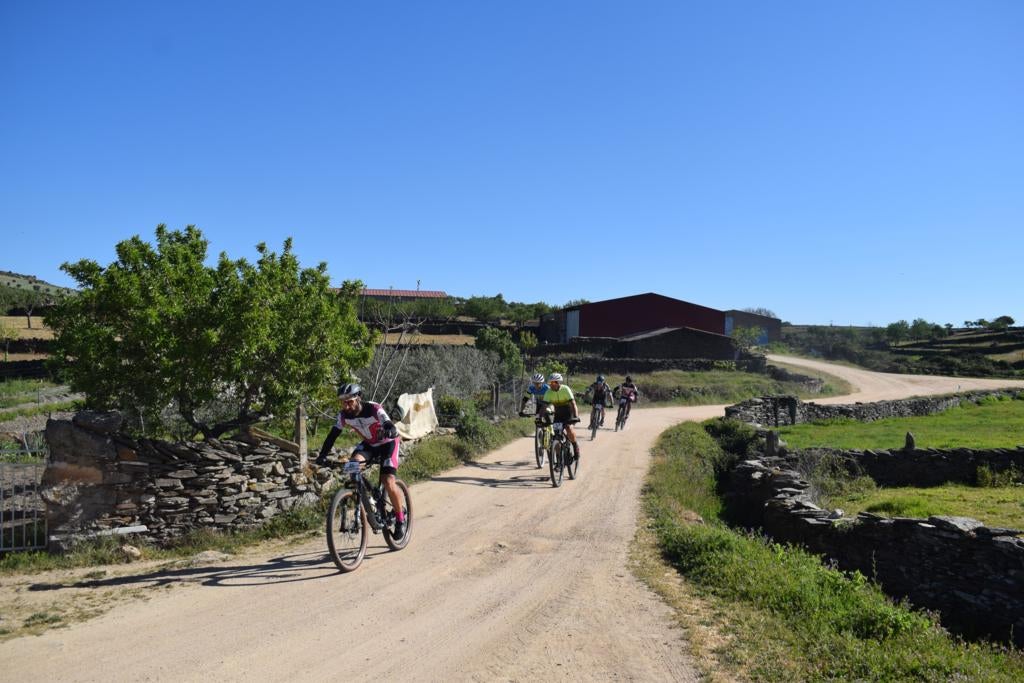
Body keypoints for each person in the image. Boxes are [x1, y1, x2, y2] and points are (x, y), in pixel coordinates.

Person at [315, 383, 406, 540]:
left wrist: (390, 429)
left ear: (358, 398)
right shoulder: (343, 416)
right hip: (369, 444)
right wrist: (322, 455)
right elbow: (332, 435)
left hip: (388, 443)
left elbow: (387, 422)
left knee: (388, 481)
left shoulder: (373, 408)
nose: (346, 406)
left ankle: (400, 519)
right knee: (353, 466)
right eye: (343, 402)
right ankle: (369, 501)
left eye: (349, 402)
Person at [543, 372, 581, 461]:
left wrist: (575, 416)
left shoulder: (565, 389)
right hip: (557, 413)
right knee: (555, 436)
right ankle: (559, 458)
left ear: (559, 383)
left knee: (568, 428)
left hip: (568, 412)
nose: (551, 384)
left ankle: (575, 446)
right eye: (550, 383)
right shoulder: (548, 392)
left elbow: (573, 404)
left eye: (554, 382)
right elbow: (544, 407)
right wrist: (541, 417)